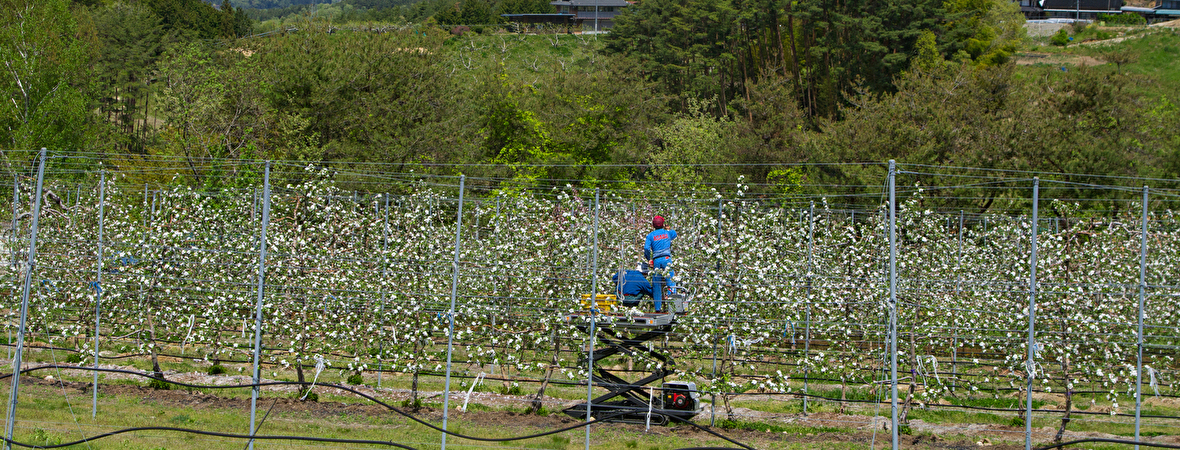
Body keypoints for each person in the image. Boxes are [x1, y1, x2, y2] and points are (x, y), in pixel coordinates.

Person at [644, 215, 677, 312]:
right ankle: (672, 306)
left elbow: (646, 248)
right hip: (667, 259)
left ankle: (657, 308)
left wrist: (649, 258)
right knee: (670, 282)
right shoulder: (667, 233)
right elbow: (674, 233)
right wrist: (668, 228)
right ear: (662, 224)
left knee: (657, 284)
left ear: (653, 225)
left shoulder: (650, 235)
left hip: (656, 260)